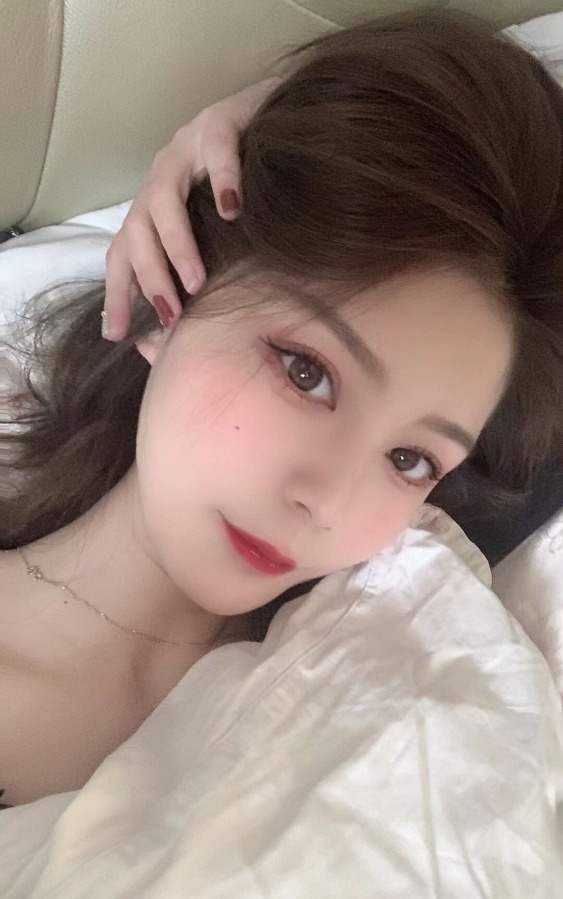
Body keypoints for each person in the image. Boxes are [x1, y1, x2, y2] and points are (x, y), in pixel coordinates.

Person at [2, 8, 563, 808]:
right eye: (307, 373)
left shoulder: (394, 686)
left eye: (409, 460)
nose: (327, 501)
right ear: (168, 299)